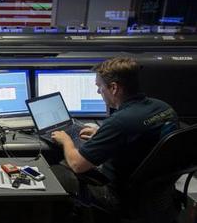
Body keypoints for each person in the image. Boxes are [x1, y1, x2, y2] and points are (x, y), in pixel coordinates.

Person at [50, 57, 178, 211]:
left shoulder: (119, 122)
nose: (98, 91)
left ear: (114, 88)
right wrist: (102, 133)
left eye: (100, 86)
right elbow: (141, 137)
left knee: (56, 171)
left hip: (119, 197)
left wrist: (67, 141)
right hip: (158, 193)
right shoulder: (163, 107)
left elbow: (78, 165)